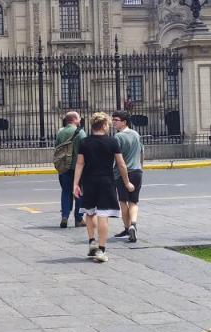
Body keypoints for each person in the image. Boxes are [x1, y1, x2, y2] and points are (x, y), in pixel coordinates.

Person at [72, 111, 135, 264]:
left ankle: (91, 241)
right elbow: (120, 164)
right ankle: (101, 249)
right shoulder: (112, 142)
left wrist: (75, 184)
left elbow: (80, 164)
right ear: (104, 125)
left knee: (90, 212)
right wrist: (127, 182)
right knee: (103, 215)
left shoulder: (85, 142)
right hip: (106, 182)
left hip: (89, 182)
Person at [112, 111, 144, 244]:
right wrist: (141, 167)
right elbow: (142, 152)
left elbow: (117, 159)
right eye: (113, 120)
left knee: (123, 201)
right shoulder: (136, 134)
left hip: (122, 173)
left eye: (116, 120)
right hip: (137, 171)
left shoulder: (117, 137)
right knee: (134, 201)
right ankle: (133, 224)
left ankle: (127, 227)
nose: (113, 122)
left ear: (124, 122)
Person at [54, 111, 86, 229]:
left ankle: (65, 216)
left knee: (66, 191)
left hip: (63, 167)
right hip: (77, 167)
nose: (80, 119)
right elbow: (85, 149)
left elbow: (56, 148)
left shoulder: (61, 132)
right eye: (78, 118)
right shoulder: (80, 132)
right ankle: (78, 219)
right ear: (74, 120)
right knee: (78, 192)